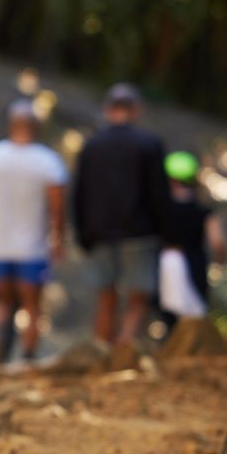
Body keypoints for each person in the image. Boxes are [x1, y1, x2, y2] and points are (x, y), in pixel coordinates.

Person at [0, 99, 68, 364]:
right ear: (37, 126)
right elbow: (58, 209)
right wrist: (58, 239)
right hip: (32, 248)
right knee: (32, 307)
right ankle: (28, 357)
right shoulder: (48, 162)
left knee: (2, 302)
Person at [72, 83, 171, 347]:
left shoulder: (92, 145)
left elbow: (79, 193)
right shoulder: (149, 144)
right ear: (136, 110)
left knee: (106, 296)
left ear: (108, 110)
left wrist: (82, 233)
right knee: (138, 297)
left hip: (99, 232)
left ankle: (103, 351)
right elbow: (159, 195)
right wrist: (168, 233)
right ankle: (125, 349)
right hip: (140, 233)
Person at [158, 150, 225, 324]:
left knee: (169, 321)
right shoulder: (203, 210)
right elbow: (217, 242)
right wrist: (221, 262)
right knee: (195, 320)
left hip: (163, 262)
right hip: (193, 263)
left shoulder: (158, 208)